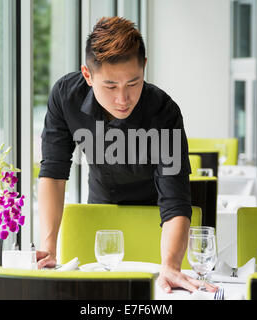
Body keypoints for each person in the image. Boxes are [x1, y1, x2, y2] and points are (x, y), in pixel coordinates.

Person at [36, 16, 216, 293]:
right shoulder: (65, 96)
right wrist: (48, 248)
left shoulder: (163, 111)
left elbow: (175, 199)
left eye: (133, 83)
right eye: (110, 86)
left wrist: (170, 265)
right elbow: (53, 173)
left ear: (144, 67)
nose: (123, 99)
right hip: (101, 211)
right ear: (87, 75)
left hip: (158, 222)